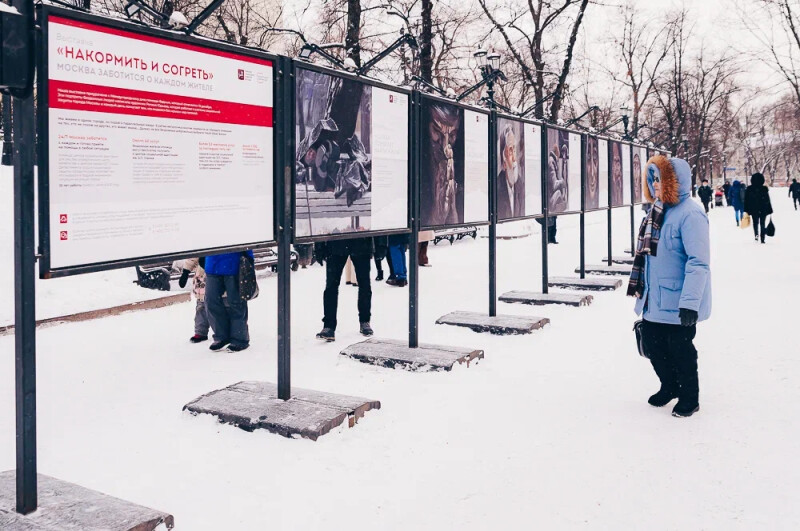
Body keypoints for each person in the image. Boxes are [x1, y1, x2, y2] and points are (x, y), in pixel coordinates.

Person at [629, 155, 711, 418]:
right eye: (651, 178)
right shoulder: (656, 211)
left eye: (659, 178)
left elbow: (698, 263)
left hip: (678, 301)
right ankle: (669, 386)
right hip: (654, 298)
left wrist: (690, 303)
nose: (654, 184)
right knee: (652, 346)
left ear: (674, 181)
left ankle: (689, 396)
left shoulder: (691, 214)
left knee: (681, 351)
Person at [316, 237, 374, 341]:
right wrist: (319, 246)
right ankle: (329, 325)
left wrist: (381, 244)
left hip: (360, 242)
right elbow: (323, 222)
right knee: (331, 286)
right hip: (338, 242)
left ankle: (365, 320)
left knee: (364, 284)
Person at [205, 251, 253, 351]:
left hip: (233, 264)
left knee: (236, 303)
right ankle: (221, 336)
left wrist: (249, 257)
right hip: (212, 264)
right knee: (211, 301)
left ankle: (239, 338)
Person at [174, 257, 209, 343]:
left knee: (220, 306)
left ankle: (223, 332)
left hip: (218, 271)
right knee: (201, 306)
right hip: (202, 276)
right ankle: (200, 332)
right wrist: (185, 272)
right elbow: (193, 257)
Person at [497, 125, 525, 219]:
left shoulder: (520, 184)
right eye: (509, 151)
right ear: (502, 156)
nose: (514, 158)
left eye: (514, 149)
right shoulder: (497, 187)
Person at [744, 172, 773, 244]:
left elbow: (746, 200)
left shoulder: (749, 189)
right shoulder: (764, 189)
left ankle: (756, 235)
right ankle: (762, 238)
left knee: (755, 222)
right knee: (762, 223)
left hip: (754, 209)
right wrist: (770, 209)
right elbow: (767, 200)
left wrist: (746, 209)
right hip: (763, 209)